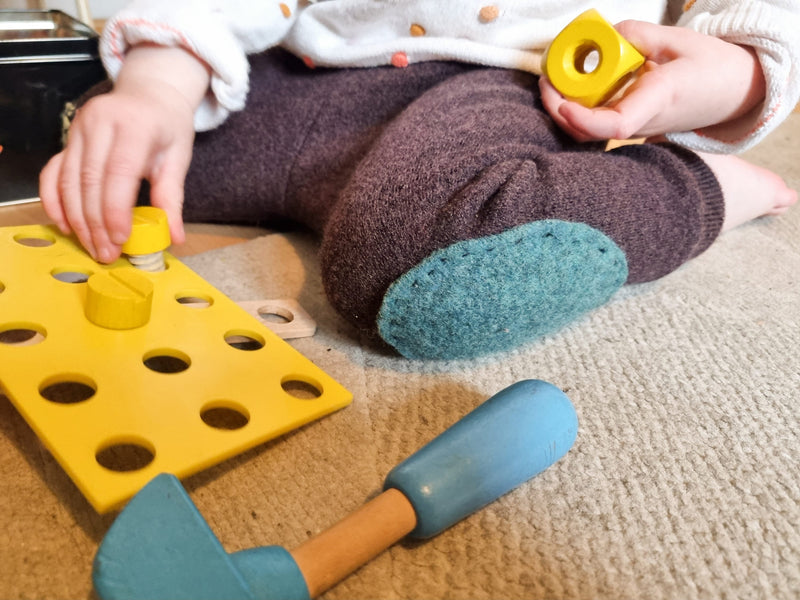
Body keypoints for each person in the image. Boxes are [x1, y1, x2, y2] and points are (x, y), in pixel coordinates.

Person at [39, 0, 799, 360]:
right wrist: (158, 85)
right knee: (111, 148)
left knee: (412, 267)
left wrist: (739, 72)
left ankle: (693, 189)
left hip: (499, 83)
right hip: (300, 65)